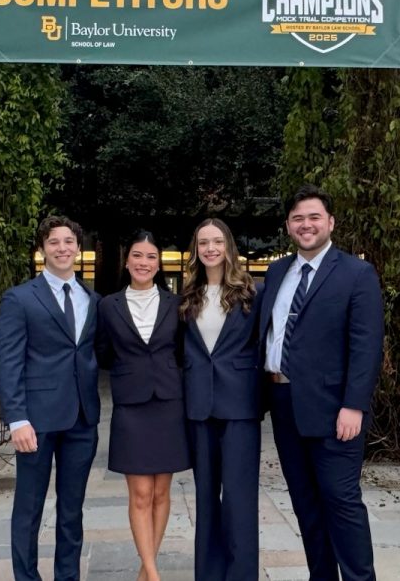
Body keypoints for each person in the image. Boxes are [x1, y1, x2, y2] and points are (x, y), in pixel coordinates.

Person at [259, 185, 384, 581]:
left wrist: (355, 405)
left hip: (335, 411)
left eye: (314, 217)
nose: (306, 224)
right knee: (306, 505)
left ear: (330, 222)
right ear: (288, 226)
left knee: (342, 503)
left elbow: (366, 345)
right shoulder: (278, 271)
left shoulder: (356, 273)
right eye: (298, 218)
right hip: (284, 403)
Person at [0, 215, 101, 581]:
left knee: (73, 510)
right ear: (42, 249)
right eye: (54, 242)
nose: (62, 248)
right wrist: (17, 419)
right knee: (29, 508)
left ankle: (66, 576)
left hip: (82, 420)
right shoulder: (20, 298)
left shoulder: (91, 298)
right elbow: (8, 362)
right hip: (35, 422)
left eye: (69, 241)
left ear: (78, 247)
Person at [95, 230, 190, 581]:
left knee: (162, 491)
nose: (143, 263)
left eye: (151, 257)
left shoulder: (175, 303)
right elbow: (103, 351)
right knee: (140, 493)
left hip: (168, 403)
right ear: (127, 259)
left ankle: (146, 567)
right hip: (131, 405)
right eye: (137, 255)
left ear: (158, 263)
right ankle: (152, 573)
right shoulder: (108, 305)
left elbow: (181, 352)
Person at [179, 218, 263, 581]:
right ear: (196, 250)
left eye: (217, 241)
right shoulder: (187, 296)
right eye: (203, 243)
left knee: (240, 501)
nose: (210, 248)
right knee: (206, 498)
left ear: (229, 246)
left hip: (241, 405)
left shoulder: (252, 294)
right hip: (199, 405)